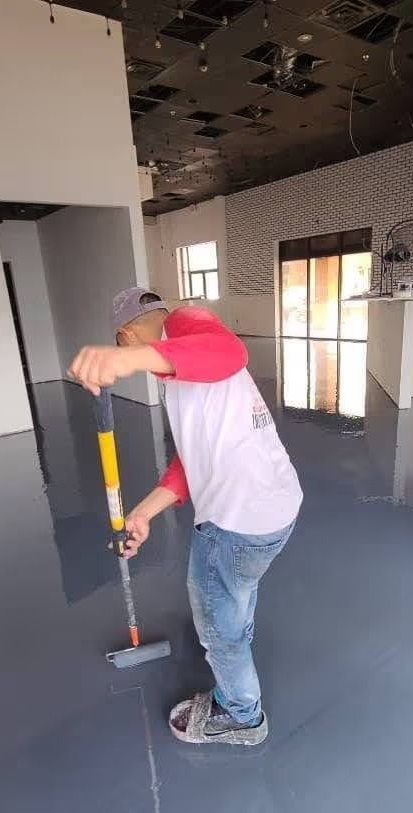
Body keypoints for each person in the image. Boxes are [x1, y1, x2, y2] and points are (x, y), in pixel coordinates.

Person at [69, 288, 302, 746]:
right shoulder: (182, 371)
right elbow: (192, 459)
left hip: (238, 522)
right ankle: (237, 654)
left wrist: (131, 360)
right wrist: (145, 511)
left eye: (124, 347)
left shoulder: (188, 322)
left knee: (218, 628)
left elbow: (229, 352)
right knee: (238, 592)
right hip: (273, 511)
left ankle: (241, 716)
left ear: (125, 334)